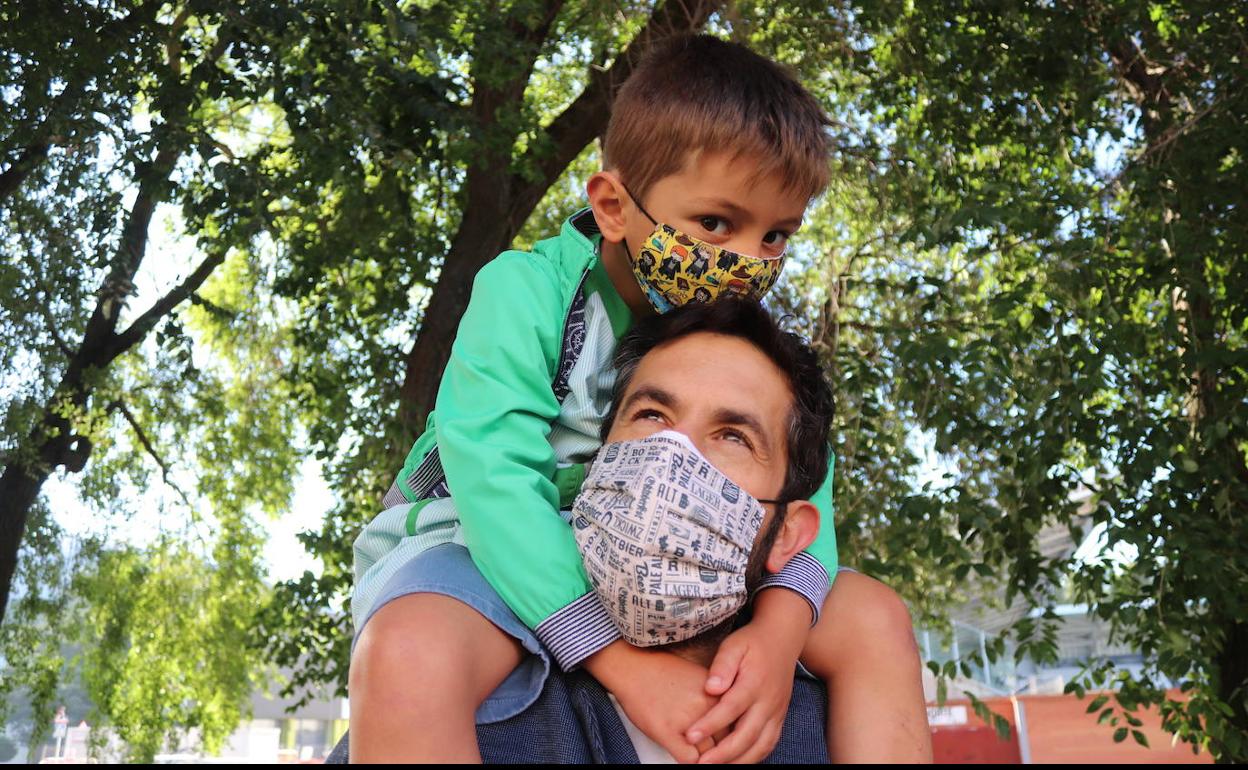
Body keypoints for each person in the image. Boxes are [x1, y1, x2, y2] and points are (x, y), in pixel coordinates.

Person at [349, 35, 927, 763]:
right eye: (717, 224)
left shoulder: (750, 346)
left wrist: (780, 635)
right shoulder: (529, 294)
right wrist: (621, 664)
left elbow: (810, 498)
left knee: (871, 617)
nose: (745, 261)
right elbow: (493, 478)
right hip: (486, 542)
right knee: (409, 649)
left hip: (678, 556)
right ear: (615, 206)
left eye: (776, 235)